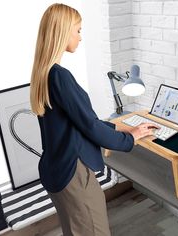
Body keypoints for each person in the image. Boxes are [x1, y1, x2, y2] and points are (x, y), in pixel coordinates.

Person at [30, 3, 157, 236]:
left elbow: (77, 123)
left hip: (56, 170)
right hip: (73, 175)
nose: (80, 36)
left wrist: (119, 126)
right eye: (77, 30)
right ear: (62, 32)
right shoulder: (60, 76)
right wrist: (131, 138)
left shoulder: (43, 74)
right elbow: (89, 126)